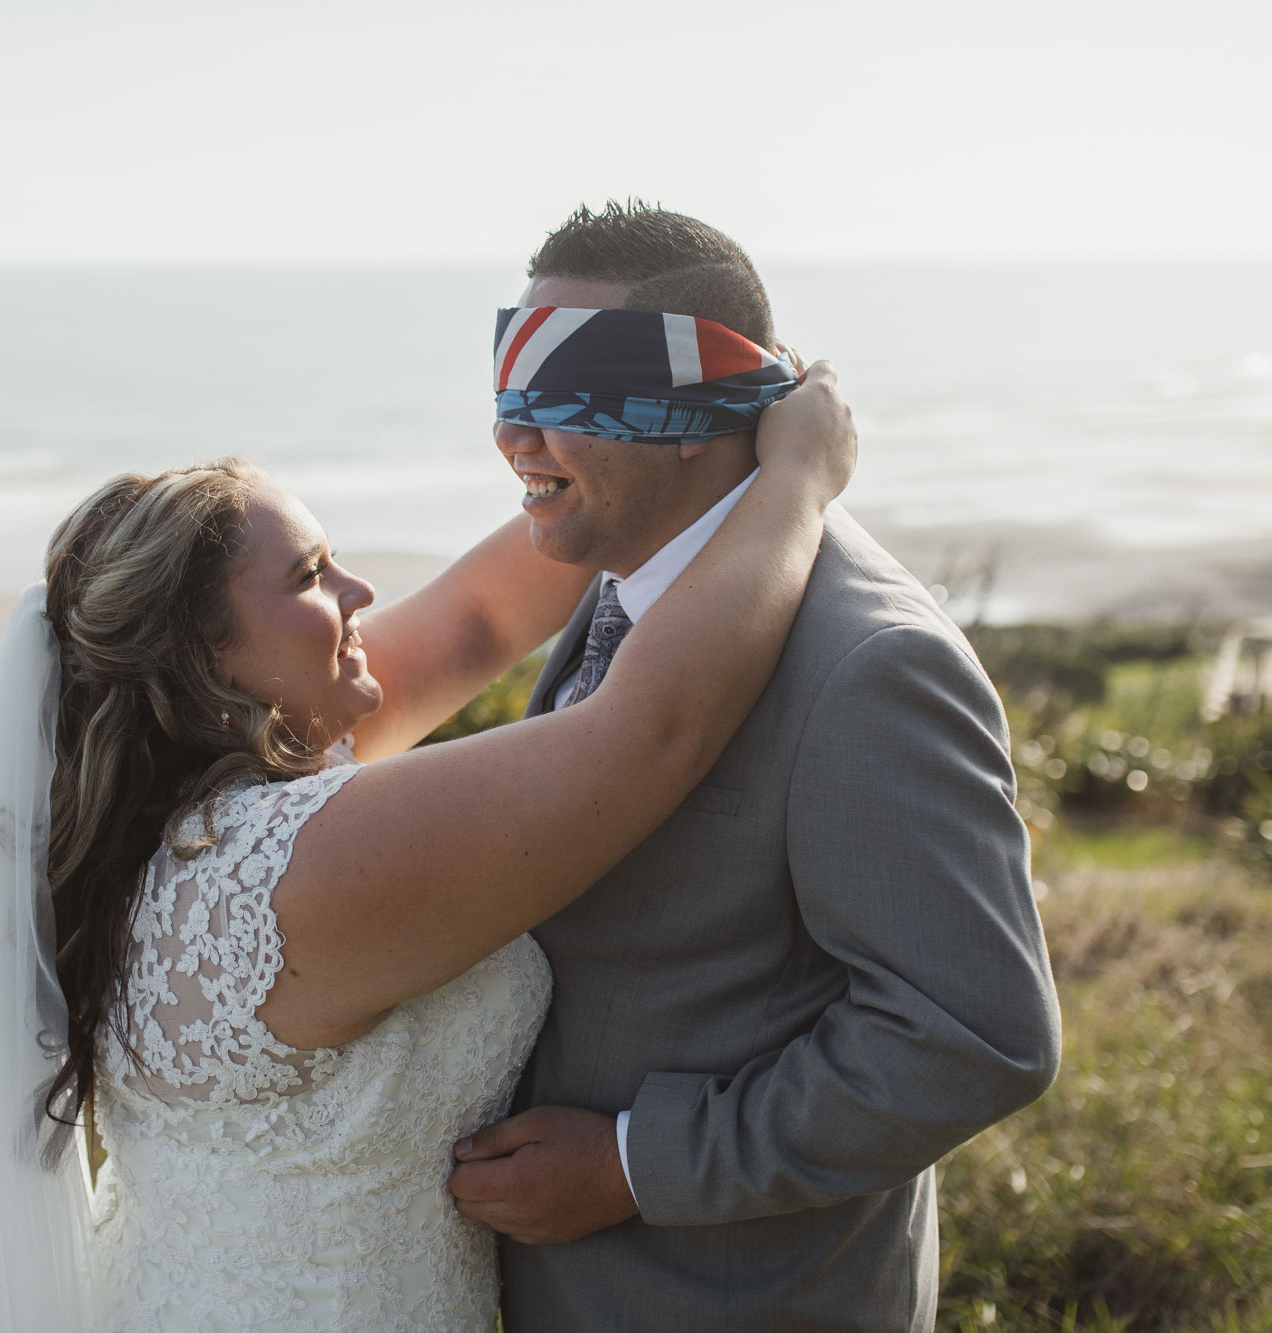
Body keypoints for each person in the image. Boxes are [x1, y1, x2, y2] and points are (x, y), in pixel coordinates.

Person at [0, 352, 859, 1327]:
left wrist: (669, 441)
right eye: (309, 575)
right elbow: (651, 735)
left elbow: (476, 619)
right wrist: (801, 475)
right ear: (207, 655)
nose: (360, 589)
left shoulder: (189, 809)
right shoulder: (296, 865)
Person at [447, 202, 1062, 1331]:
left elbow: (973, 1036)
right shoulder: (629, 563)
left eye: (557, 396)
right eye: (505, 391)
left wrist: (634, 1164)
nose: (511, 438)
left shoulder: (868, 667)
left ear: (689, 410)